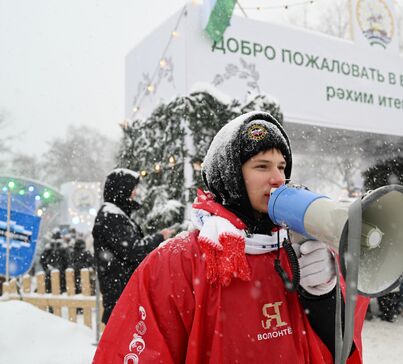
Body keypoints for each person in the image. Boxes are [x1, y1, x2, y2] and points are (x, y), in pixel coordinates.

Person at [93, 111, 369, 363]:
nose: (277, 178)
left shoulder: (296, 249)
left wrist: (323, 299)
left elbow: (337, 351)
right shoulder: (178, 261)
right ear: (230, 176)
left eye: (282, 166)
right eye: (262, 166)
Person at [92, 168, 174, 324]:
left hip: (124, 295)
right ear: (121, 189)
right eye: (132, 189)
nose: (135, 193)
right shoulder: (111, 216)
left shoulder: (115, 214)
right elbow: (134, 250)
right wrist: (159, 237)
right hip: (122, 296)